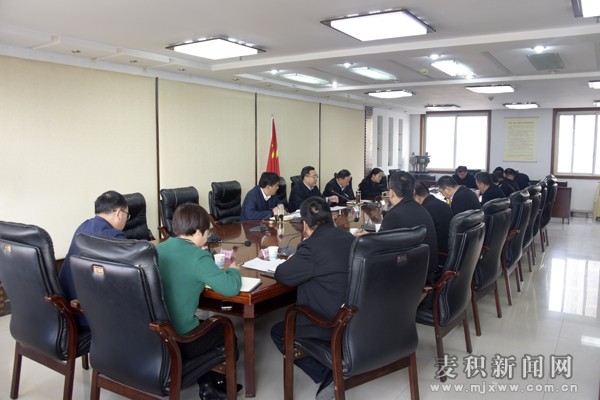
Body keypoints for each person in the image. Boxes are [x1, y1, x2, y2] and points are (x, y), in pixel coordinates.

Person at [270, 197, 354, 400]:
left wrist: (294, 259)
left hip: (328, 322)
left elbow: (283, 275)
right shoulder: (349, 238)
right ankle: (333, 371)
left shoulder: (310, 247)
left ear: (305, 225)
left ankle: (328, 374)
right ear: (332, 217)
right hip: (353, 314)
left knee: (278, 332)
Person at [156, 203, 242, 400]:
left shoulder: (160, 248)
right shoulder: (198, 257)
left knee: (206, 327)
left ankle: (208, 386)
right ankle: (218, 384)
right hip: (181, 336)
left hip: (159, 332)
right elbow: (230, 288)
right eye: (207, 231)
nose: (208, 235)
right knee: (224, 330)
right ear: (196, 232)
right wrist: (233, 271)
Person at [59, 190, 129, 326]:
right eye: (127, 215)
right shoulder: (114, 236)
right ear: (119, 213)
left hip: (67, 308)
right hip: (91, 315)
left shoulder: (83, 226)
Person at [380, 171, 440, 284]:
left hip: (409, 279)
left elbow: (380, 249)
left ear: (391, 193)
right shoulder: (422, 209)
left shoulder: (393, 215)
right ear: (413, 191)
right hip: (427, 272)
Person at [413, 181, 453, 255]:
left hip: (439, 252)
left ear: (418, 198)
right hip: (449, 247)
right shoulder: (443, 204)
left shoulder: (424, 210)